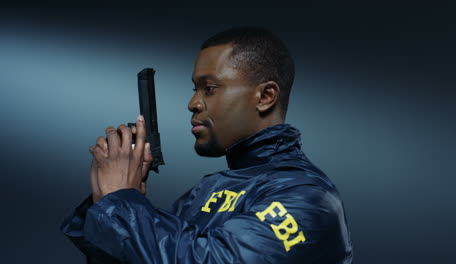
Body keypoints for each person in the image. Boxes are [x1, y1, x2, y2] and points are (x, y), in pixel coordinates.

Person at [60, 26, 353, 263]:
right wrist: (107, 200)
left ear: (265, 96)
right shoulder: (206, 192)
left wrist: (122, 203)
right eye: (195, 88)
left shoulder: (308, 198)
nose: (192, 103)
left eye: (209, 89)